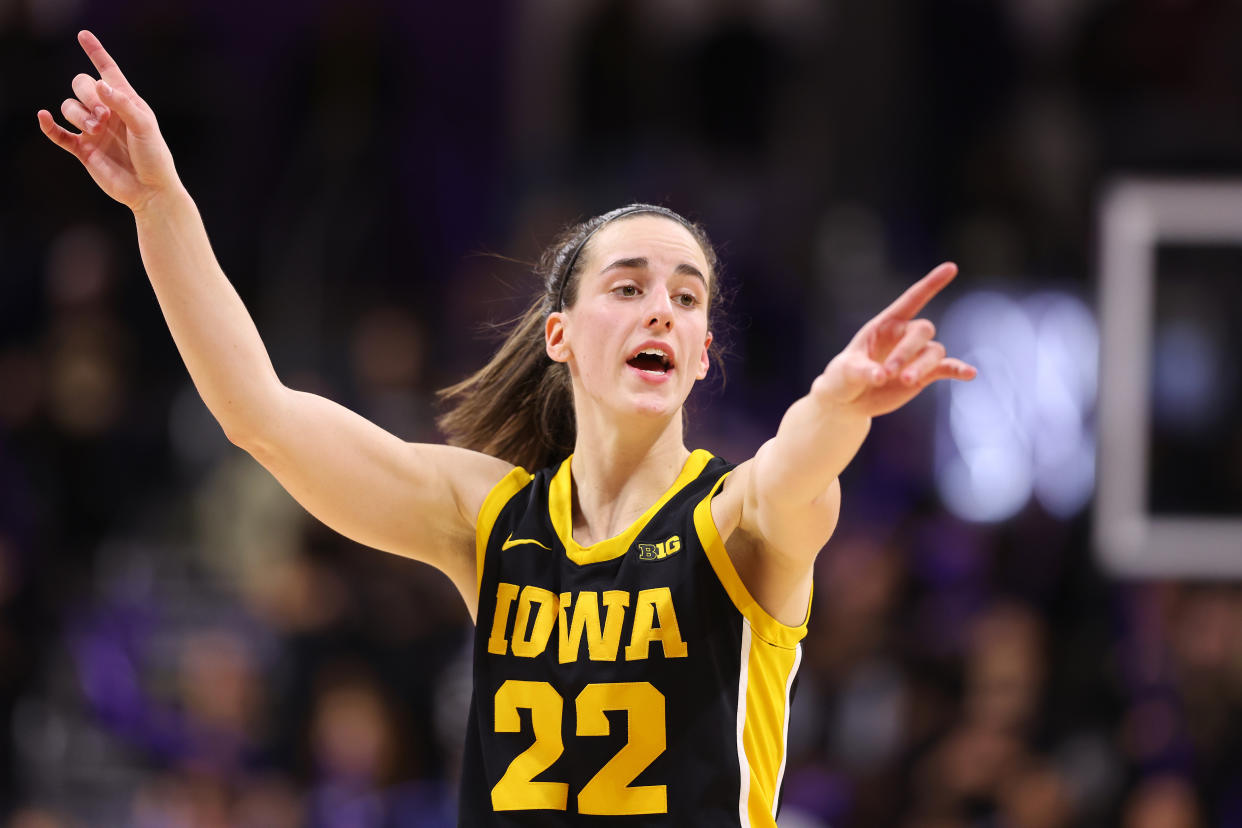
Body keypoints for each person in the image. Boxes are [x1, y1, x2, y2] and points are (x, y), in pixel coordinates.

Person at [39, 30, 978, 827]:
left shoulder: (736, 520)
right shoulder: (490, 517)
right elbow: (261, 416)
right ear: (561, 336)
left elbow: (798, 469)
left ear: (700, 355)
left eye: (687, 298)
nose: (662, 309)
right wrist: (161, 205)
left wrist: (839, 397)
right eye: (628, 286)